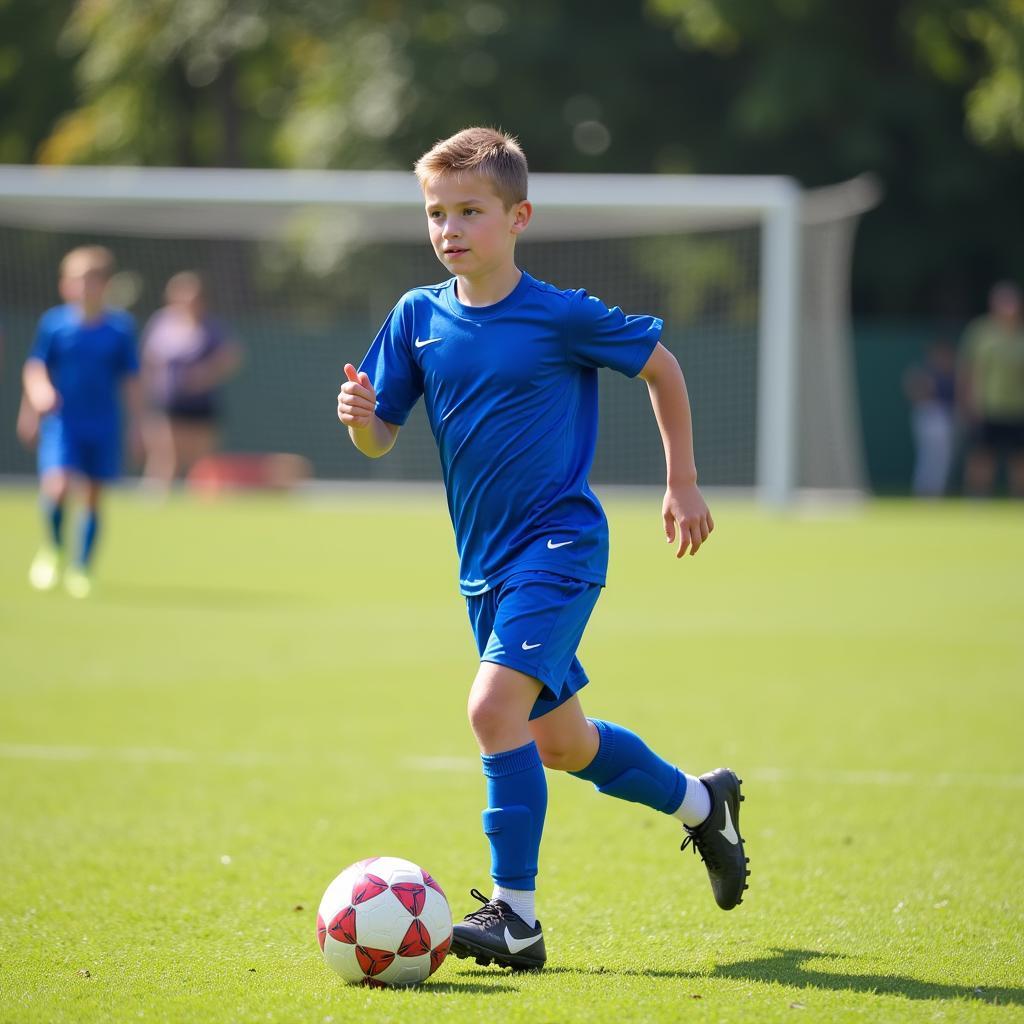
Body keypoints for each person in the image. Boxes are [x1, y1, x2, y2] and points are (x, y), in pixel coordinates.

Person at [336, 127, 749, 972]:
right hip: (483, 569)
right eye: (437, 213)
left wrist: (683, 482)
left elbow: (661, 367)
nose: (450, 228)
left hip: (559, 547)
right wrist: (361, 420)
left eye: (470, 212)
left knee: (492, 713)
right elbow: (381, 437)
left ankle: (516, 917)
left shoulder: (560, 314)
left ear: (517, 217)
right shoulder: (417, 317)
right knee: (561, 743)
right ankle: (704, 805)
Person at [22, 245, 142, 598]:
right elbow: (35, 367)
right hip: (64, 423)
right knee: (57, 487)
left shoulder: (119, 329)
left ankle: (82, 568)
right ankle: (54, 548)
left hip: (102, 424)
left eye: (91, 279)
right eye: (77, 279)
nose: (84, 286)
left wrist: (139, 424)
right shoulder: (54, 324)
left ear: (105, 284)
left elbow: (131, 380)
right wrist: (36, 400)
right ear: (65, 285)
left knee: (92, 497)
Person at [139, 271, 242, 490]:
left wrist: (205, 374)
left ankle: (200, 513)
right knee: (166, 456)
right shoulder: (162, 323)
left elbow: (232, 356)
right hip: (169, 402)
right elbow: (149, 361)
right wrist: (148, 397)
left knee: (202, 463)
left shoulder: (211, 327)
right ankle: (154, 504)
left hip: (201, 403)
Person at [957, 281, 1024, 498]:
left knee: (1019, 458)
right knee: (982, 456)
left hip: (1018, 407)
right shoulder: (980, 332)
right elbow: (968, 371)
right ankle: (977, 499)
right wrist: (968, 405)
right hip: (987, 406)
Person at [903, 339, 956, 497]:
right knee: (928, 455)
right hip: (928, 414)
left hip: (944, 415)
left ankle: (935, 490)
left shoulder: (950, 373)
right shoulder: (924, 372)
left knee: (942, 456)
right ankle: (924, 489)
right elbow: (913, 392)